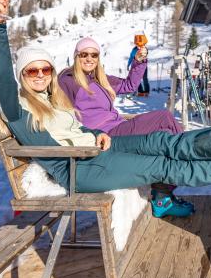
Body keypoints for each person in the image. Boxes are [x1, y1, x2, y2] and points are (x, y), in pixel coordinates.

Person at [0, 0, 211, 203]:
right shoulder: (18, 107)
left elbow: (80, 124)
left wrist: (94, 133)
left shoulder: (54, 98)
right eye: (32, 70)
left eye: (46, 69)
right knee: (160, 165)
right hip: (78, 168)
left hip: (97, 148)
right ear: (21, 75)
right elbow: (1, 80)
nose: (41, 75)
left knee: (160, 141)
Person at [59, 36, 190, 217]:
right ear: (76, 56)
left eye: (94, 55)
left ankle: (163, 196)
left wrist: (139, 61)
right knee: (164, 117)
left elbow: (129, 85)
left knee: (166, 131)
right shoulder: (68, 80)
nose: (89, 59)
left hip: (120, 126)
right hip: (106, 135)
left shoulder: (101, 78)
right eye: (84, 54)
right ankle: (185, 165)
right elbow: (55, 103)